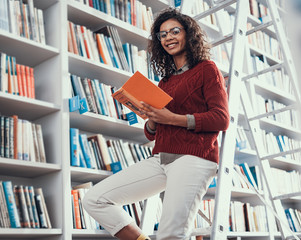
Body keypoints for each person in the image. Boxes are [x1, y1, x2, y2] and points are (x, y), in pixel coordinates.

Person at [83, 7, 230, 240]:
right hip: (161, 158)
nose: (168, 38)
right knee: (95, 199)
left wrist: (172, 118)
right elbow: (152, 133)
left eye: (174, 31)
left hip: (194, 157)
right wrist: (151, 119)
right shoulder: (165, 82)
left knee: (171, 234)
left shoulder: (207, 70)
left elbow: (221, 119)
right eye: (162, 35)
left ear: (188, 34)